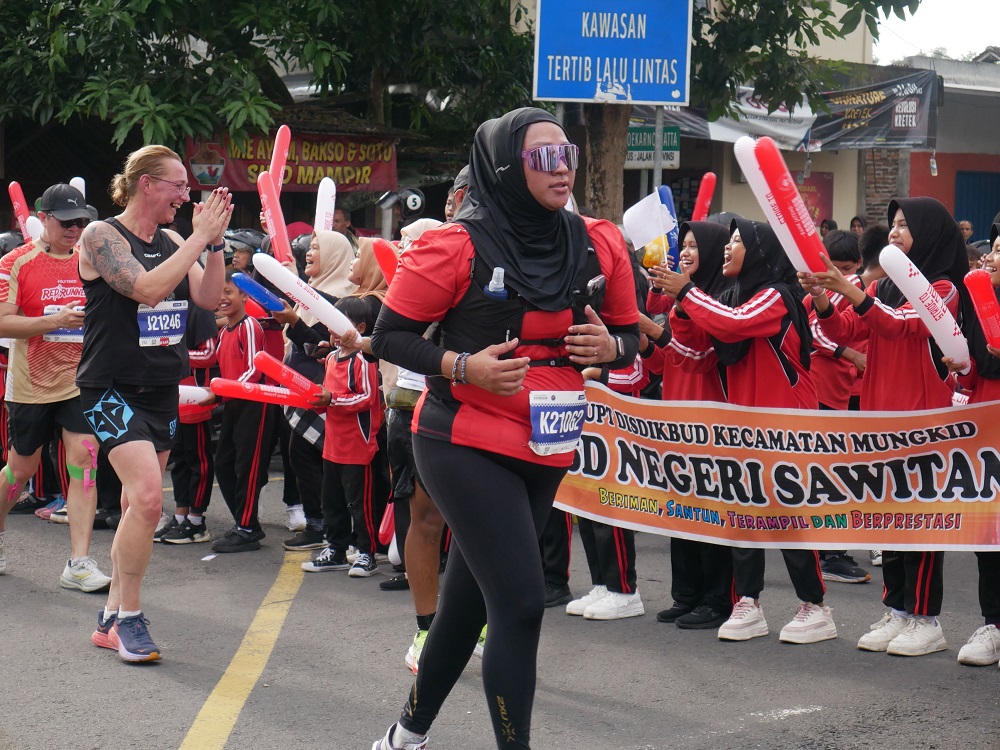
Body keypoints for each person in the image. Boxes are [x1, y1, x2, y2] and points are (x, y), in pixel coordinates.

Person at [369, 107, 640, 750]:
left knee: (465, 608)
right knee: (519, 604)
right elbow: (389, 337)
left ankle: (403, 737)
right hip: (462, 438)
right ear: (504, 168)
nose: (562, 168)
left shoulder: (600, 241)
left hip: (548, 442)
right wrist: (463, 365)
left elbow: (631, 336)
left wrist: (612, 348)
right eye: (543, 157)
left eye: (568, 154)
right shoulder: (455, 245)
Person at [78, 145, 231, 662]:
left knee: (133, 506)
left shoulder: (172, 239)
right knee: (148, 499)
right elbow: (145, 289)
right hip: (109, 389)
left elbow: (207, 299)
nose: (185, 195)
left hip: (161, 387)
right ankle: (129, 619)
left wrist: (215, 245)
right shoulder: (100, 236)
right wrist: (198, 238)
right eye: (177, 185)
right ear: (146, 184)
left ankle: (110, 616)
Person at [802, 196, 969, 657]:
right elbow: (842, 331)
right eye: (892, 224)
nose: (894, 232)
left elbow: (900, 325)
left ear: (928, 233)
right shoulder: (881, 286)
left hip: (922, 422)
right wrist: (824, 296)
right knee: (890, 520)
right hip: (880, 420)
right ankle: (896, 609)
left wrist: (853, 291)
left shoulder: (944, 288)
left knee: (920, 521)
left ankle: (925, 618)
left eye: (904, 225)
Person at [656, 218, 835, 645]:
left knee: (789, 516)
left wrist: (687, 292)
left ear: (759, 252)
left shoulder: (775, 295)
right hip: (742, 426)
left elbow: (735, 324)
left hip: (785, 424)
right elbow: (698, 354)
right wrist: (680, 306)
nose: (727, 247)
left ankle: (815, 606)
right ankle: (748, 602)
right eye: (728, 240)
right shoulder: (729, 297)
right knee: (744, 515)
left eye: (737, 241)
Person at [0, 183, 110, 590]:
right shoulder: (16, 262)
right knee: (20, 472)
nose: (74, 229)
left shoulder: (92, 260)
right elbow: (2, 321)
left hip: (81, 380)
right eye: (66, 222)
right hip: (31, 383)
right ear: (43, 218)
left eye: (81, 222)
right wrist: (54, 321)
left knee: (85, 462)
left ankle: (79, 563)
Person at [645, 220, 735, 630]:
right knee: (680, 509)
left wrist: (653, 328)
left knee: (711, 512)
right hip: (678, 419)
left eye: (695, 246)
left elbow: (698, 357)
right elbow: (667, 363)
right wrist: (646, 340)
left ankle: (717, 600)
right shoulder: (681, 302)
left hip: (711, 421)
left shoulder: (718, 302)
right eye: (683, 244)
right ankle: (686, 595)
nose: (684, 251)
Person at [273, 231, 357, 555]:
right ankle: (321, 525)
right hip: (302, 391)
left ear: (335, 256)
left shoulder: (337, 300)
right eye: (309, 247)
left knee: (313, 460)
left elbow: (320, 347)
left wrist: (294, 320)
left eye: (317, 248)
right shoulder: (311, 292)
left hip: (323, 393)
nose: (309, 252)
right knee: (302, 457)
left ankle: (325, 527)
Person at [950, 223, 1000, 666]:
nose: (990, 258)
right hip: (988, 438)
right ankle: (993, 624)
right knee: (989, 535)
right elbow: (972, 379)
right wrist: (961, 368)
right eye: (993, 249)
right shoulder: (983, 306)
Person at [308, 296, 384, 577]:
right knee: (332, 500)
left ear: (360, 328)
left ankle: (367, 552)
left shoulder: (363, 360)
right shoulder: (330, 358)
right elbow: (327, 394)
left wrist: (331, 399)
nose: (333, 331)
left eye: (340, 324)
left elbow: (366, 398)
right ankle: (336, 549)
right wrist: (317, 399)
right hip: (333, 443)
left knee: (359, 503)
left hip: (357, 444)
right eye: (330, 324)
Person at [208, 272, 277, 553]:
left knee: (247, 467)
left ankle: (247, 529)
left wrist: (221, 391)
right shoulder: (224, 332)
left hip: (255, 403)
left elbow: (254, 370)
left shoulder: (249, 326)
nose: (222, 298)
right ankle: (246, 523)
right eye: (219, 293)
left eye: (229, 292)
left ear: (245, 296)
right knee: (224, 464)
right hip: (234, 402)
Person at [157, 306, 218, 544]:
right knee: (179, 460)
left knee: (198, 461)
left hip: (195, 396)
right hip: (171, 395)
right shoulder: (166, 306)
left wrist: (169, 351)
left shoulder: (199, 310)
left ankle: (196, 521)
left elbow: (209, 355)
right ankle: (181, 516)